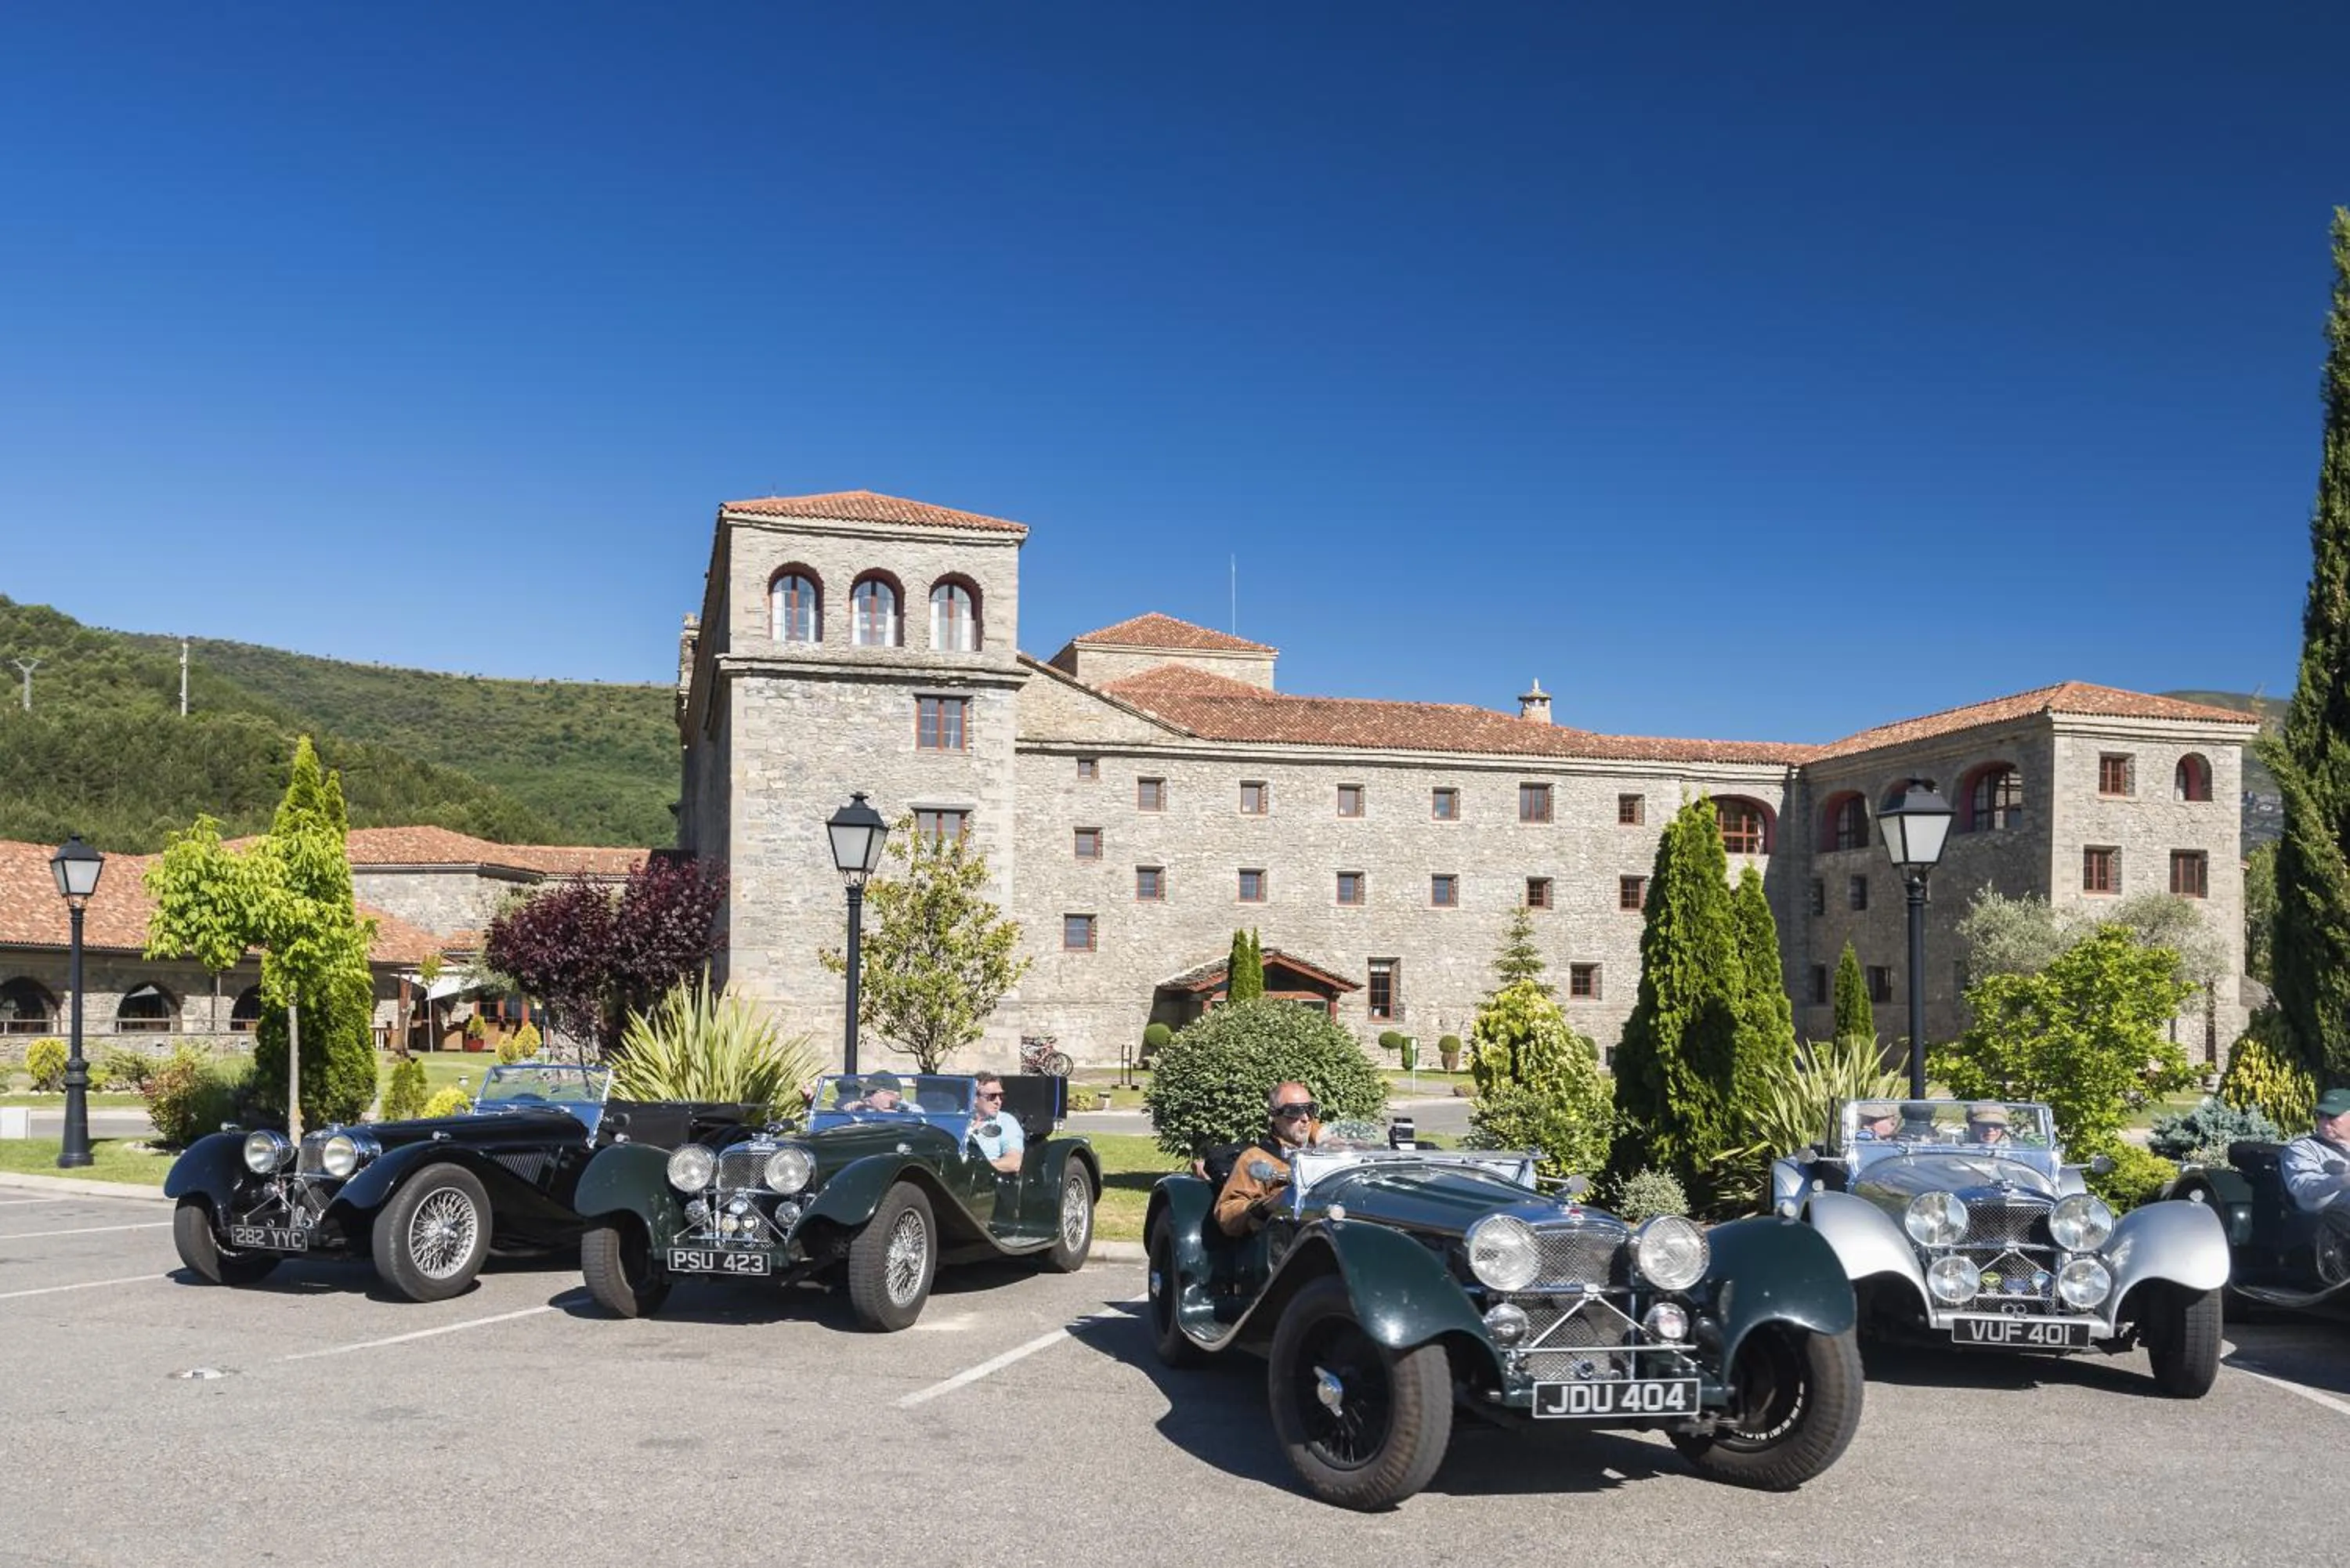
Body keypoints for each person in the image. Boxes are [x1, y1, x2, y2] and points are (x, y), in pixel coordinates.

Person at [1213, 1082, 1324, 1237]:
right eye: (1294, 1111)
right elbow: (1227, 1214)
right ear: (1274, 1115)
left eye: (1310, 1109)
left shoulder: (1325, 1147)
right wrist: (1266, 1205)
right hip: (1285, 1241)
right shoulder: (1255, 1158)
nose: (1305, 1118)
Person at [2281, 1088, 2350, 1214]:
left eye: (2332, 1116)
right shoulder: (2303, 1148)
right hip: (2330, 1225)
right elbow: (2304, 1188)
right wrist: (2344, 1180)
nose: (2324, 1122)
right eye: (2320, 1115)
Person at [969, 1071, 1025, 1175]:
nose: (998, 1102)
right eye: (992, 1096)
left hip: (986, 1180)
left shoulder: (1006, 1121)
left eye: (1001, 1096)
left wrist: (976, 1168)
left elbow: (1013, 1162)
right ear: (975, 1098)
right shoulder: (958, 1119)